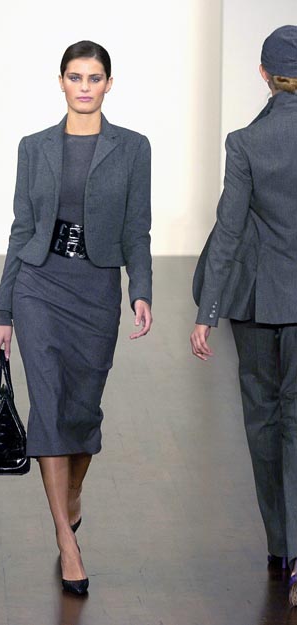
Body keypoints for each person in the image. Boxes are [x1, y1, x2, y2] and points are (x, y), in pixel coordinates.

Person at [0, 40, 152, 595]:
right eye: (76, 77)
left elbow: (137, 227)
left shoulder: (133, 148)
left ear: (109, 83)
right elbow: (21, 229)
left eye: (95, 77)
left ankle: (73, 493)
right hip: (40, 283)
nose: (85, 87)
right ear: (60, 81)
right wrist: (4, 309)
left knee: (83, 411)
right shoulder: (33, 147)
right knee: (50, 407)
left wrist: (141, 290)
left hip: (96, 287)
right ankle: (67, 540)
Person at [190, 25, 297, 607]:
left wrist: (207, 311)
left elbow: (229, 229)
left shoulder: (245, 141)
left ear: (263, 75)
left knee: (262, 422)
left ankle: (280, 546)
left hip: (255, 303)